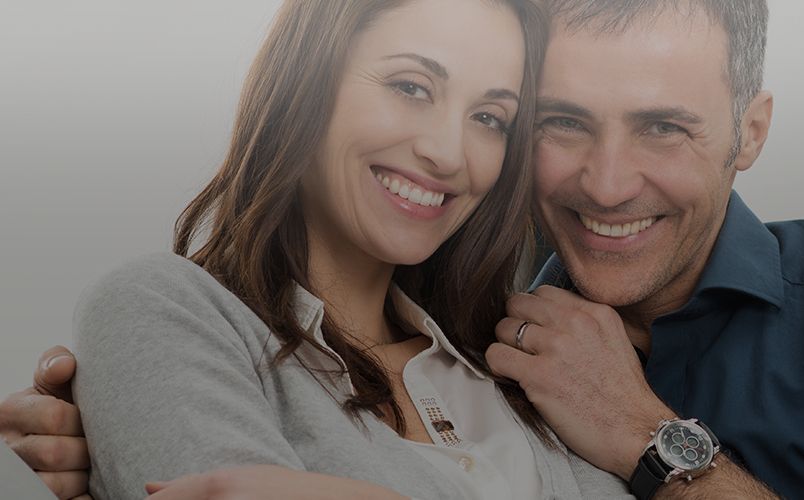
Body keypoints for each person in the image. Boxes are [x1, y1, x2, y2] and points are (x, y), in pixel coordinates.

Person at [3, 1, 804, 499]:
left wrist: (652, 437)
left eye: (663, 127)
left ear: (750, 132)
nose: (604, 182)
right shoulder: (493, 343)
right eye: (555, 122)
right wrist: (126, 423)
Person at [0, 0, 632, 498]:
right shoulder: (161, 312)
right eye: (411, 86)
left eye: (490, 118)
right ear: (308, 79)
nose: (448, 152)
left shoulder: (533, 367)